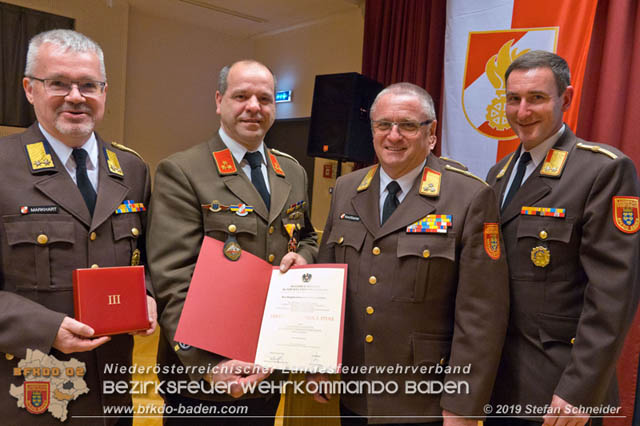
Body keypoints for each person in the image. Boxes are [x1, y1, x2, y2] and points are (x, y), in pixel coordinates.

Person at [316, 82, 509, 425]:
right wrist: (318, 364)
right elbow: (326, 285)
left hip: (423, 397)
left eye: (407, 125)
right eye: (383, 125)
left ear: (431, 134)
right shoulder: (348, 189)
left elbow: (482, 314)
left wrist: (462, 402)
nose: (393, 136)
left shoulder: (468, 196)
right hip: (354, 388)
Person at [147, 59, 318, 424]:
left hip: (267, 362)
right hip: (204, 373)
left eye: (265, 98)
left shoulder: (293, 171)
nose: (254, 107)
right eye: (241, 96)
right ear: (219, 100)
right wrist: (209, 366)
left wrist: (304, 256)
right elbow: (172, 278)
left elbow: (307, 236)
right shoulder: (184, 170)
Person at [0, 29, 156, 425]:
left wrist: (148, 296)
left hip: (115, 392)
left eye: (88, 85)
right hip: (32, 390)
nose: (75, 96)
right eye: (58, 83)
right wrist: (45, 327)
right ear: (29, 89)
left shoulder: (132, 170)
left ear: (103, 92)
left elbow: (149, 259)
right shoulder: (3, 167)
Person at [485, 50, 640, 426]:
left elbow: (613, 294)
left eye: (536, 98)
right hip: (499, 380)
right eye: (513, 99)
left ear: (565, 99)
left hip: (560, 387)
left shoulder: (602, 170)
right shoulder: (498, 174)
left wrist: (579, 391)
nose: (522, 112)